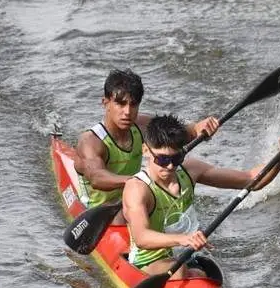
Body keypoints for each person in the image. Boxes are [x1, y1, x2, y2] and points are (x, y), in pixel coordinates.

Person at [123, 113, 280, 279]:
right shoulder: (137, 189)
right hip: (149, 263)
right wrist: (183, 239)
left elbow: (252, 180)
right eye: (162, 160)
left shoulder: (190, 171)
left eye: (176, 160)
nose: (169, 167)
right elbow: (142, 237)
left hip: (186, 255)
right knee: (181, 273)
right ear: (146, 150)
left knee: (211, 272)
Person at [74, 69, 219, 213]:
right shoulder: (91, 141)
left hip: (133, 198)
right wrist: (139, 181)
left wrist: (199, 127)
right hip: (97, 209)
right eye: (121, 104)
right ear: (105, 103)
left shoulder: (142, 125)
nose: (128, 112)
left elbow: (183, 133)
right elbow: (97, 178)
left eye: (134, 104)